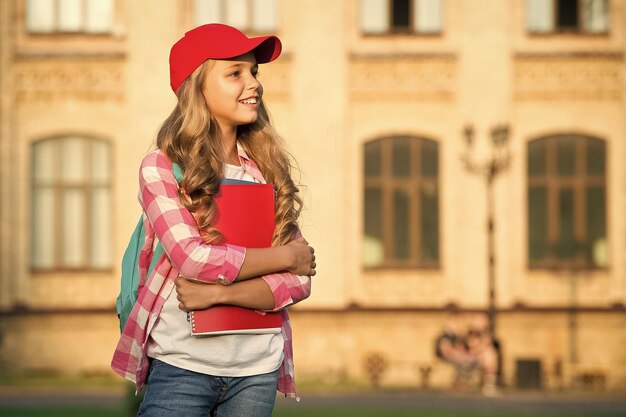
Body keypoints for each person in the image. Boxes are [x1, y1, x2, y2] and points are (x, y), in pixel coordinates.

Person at [111, 23, 315, 417]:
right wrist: (285, 257)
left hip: (258, 369)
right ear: (197, 86)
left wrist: (220, 294)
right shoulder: (163, 167)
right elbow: (193, 260)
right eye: (235, 72)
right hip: (182, 367)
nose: (253, 83)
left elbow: (298, 281)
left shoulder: (265, 169)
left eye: (254, 71)